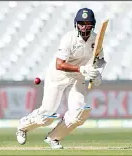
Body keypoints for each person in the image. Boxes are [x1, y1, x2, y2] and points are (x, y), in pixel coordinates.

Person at [16, 7, 107, 149]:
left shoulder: (96, 39)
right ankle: (22, 127)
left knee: (79, 112)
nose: (84, 26)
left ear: (93, 24)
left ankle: (54, 138)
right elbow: (59, 64)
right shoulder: (69, 39)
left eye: (88, 23)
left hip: (78, 78)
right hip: (58, 77)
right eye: (81, 23)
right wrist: (81, 69)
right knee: (47, 112)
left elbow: (100, 60)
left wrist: (97, 73)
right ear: (76, 24)